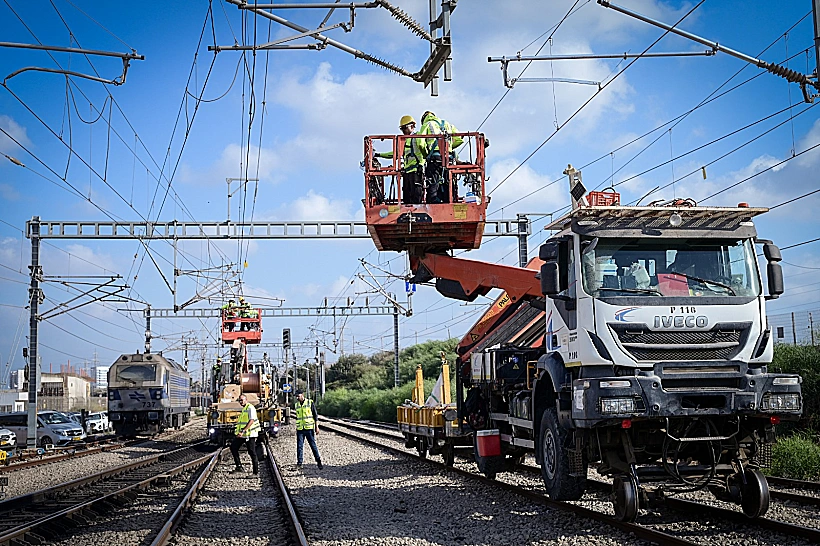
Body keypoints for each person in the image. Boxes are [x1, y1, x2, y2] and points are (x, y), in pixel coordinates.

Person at [375, 115, 424, 204]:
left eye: (405, 128)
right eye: (402, 129)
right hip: (407, 172)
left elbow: (424, 150)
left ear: (412, 126)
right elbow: (395, 154)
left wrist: (423, 164)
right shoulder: (404, 140)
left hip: (416, 171)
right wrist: (378, 154)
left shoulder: (418, 138)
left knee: (416, 197)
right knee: (407, 198)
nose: (403, 131)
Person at [417, 111, 464, 204]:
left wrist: (426, 154)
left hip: (435, 158)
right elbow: (460, 139)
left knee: (433, 183)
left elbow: (419, 142)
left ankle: (433, 203)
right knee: (448, 182)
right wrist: (449, 147)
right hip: (448, 158)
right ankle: (448, 201)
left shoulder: (427, 124)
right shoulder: (447, 124)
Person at [230, 393, 261, 474]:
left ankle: (255, 472)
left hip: (250, 434)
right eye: (239, 400)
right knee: (233, 447)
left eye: (242, 400)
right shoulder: (245, 408)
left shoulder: (250, 408)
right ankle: (239, 467)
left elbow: (251, 420)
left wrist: (242, 430)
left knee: (252, 452)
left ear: (246, 400)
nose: (240, 402)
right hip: (244, 434)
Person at [294, 389, 323, 469]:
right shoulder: (296, 405)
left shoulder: (310, 403)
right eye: (296, 396)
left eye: (298, 396)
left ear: (302, 395)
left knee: (313, 445)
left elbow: (315, 416)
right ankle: (299, 463)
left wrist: (317, 427)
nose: (297, 398)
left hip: (309, 428)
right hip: (300, 429)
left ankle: (318, 461)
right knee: (299, 446)